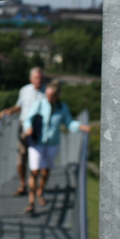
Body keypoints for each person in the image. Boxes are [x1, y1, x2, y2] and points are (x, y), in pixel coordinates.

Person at [22, 79, 90, 213]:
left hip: (53, 143)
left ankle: (40, 192)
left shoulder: (63, 107)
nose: (49, 97)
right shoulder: (40, 104)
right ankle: (31, 202)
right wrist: (28, 127)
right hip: (37, 142)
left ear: (57, 95)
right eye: (47, 94)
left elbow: (69, 123)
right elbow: (28, 119)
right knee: (35, 171)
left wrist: (80, 126)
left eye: (52, 95)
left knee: (46, 171)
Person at [0, 66, 45, 196]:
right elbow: (19, 107)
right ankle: (23, 185)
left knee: (37, 159)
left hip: (39, 129)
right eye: (36, 77)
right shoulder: (24, 90)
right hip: (23, 126)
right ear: (31, 78)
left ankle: (35, 187)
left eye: (40, 78)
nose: (38, 80)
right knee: (21, 157)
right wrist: (8, 111)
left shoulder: (47, 92)